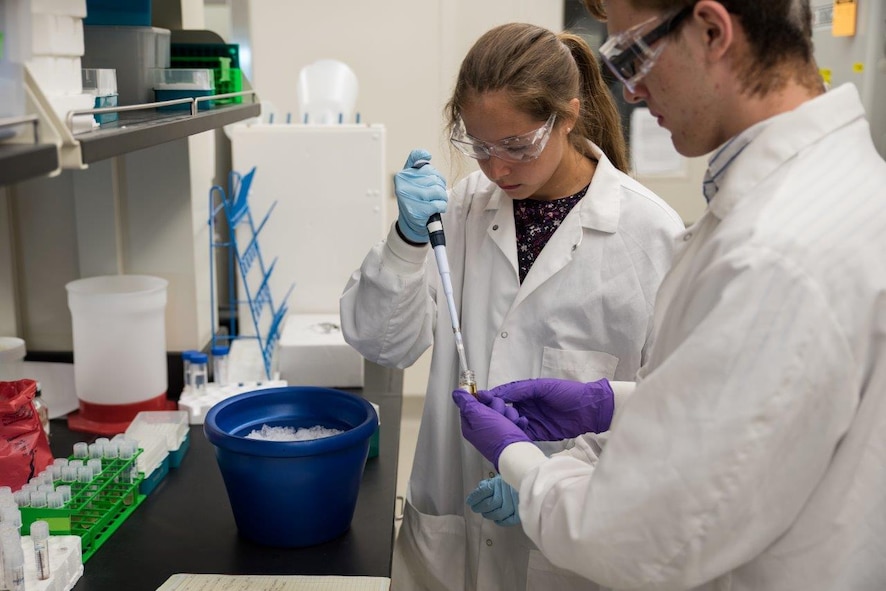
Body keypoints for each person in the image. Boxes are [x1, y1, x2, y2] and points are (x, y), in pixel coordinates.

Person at [452, 1, 886, 589]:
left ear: (711, 30)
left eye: (632, 53)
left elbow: (639, 538)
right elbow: (756, 413)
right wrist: (616, 404)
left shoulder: (774, 252)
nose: (628, 92)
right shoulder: (826, 191)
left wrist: (519, 461)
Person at [340, 22, 684, 591]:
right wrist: (404, 240)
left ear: (568, 115)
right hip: (452, 535)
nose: (497, 169)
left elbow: (669, 411)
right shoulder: (463, 208)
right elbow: (384, 342)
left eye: (518, 145)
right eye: (479, 146)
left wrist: (553, 475)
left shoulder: (650, 237)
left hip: (570, 553)